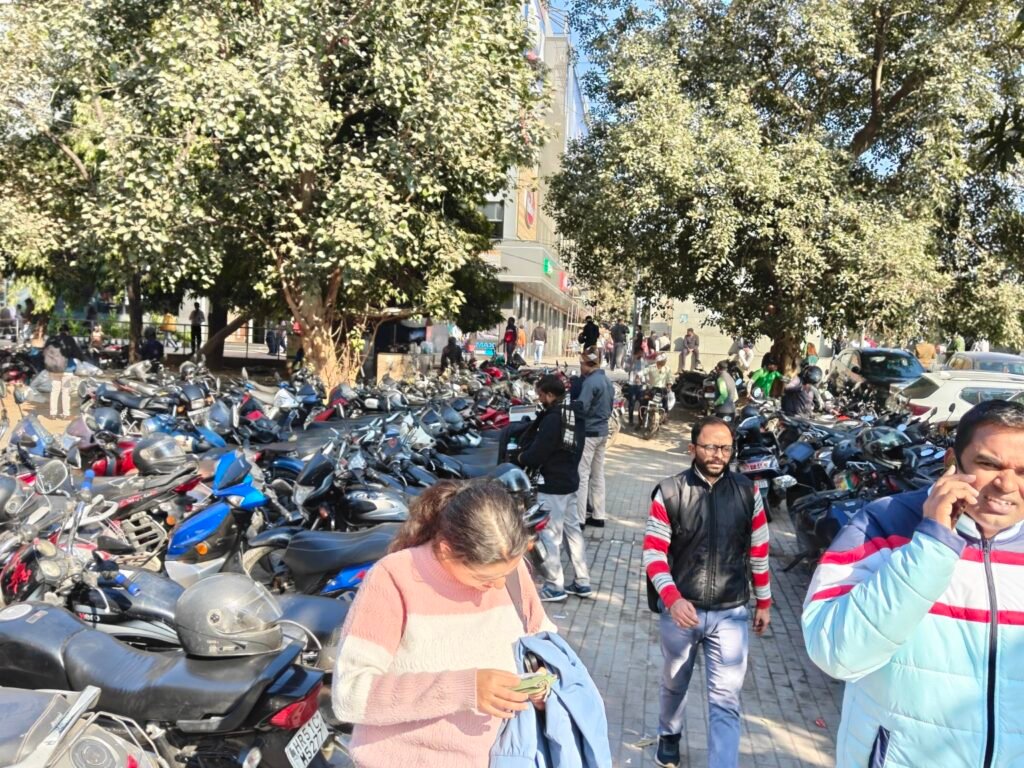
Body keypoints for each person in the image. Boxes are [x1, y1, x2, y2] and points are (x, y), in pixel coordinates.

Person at [802, 400, 1024, 767]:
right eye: (989, 464)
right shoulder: (884, 523)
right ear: (952, 461)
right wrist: (932, 544)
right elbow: (835, 653)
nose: (1006, 485)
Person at [331, 480, 555, 768]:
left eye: (508, 572)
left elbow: (543, 641)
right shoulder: (393, 579)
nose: (499, 584)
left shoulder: (513, 572)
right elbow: (350, 694)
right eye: (484, 578)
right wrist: (465, 689)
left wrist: (542, 681)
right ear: (447, 550)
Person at [643, 416, 771, 768]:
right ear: (693, 448)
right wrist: (672, 597)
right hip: (681, 613)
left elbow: (758, 550)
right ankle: (668, 734)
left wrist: (764, 601)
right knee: (674, 683)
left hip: (731, 612)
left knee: (726, 700)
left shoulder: (749, 492)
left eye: (726, 448)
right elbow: (654, 553)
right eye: (711, 446)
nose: (718, 454)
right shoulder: (669, 491)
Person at [515, 374, 592, 601]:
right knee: (572, 532)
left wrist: (521, 457)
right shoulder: (573, 413)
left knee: (549, 534)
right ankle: (582, 581)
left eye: (540, 395)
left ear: (549, 394)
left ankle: (554, 585)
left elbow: (540, 451)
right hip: (570, 480)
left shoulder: (553, 418)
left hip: (553, 483)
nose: (539, 399)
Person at [576, 346, 614, 528]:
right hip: (603, 432)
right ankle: (599, 515)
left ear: (587, 363)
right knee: (598, 475)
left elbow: (581, 407)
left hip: (589, 433)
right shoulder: (607, 381)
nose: (580, 367)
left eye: (581, 364)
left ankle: (580, 518)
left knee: (582, 475)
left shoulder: (590, 383)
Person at [43, 324, 83, 419]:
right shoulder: (70, 340)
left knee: (54, 391)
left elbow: (44, 352)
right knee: (66, 392)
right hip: (67, 370)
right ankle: (65, 414)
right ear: (67, 331)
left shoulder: (52, 340)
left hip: (54, 369)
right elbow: (77, 353)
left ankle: (53, 413)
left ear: (59, 331)